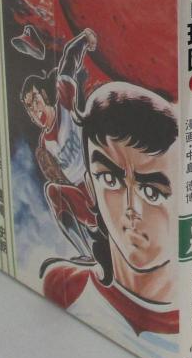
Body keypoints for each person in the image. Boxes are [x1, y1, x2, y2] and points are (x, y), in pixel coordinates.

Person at [41, 82, 181, 344]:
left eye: (151, 192)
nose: (131, 209)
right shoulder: (66, 286)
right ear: (91, 188)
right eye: (110, 180)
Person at [21, 27, 97, 264]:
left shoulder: (63, 101)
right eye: (29, 108)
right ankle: (88, 251)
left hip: (102, 179)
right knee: (52, 191)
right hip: (85, 200)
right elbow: (60, 181)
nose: (35, 110)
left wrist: (83, 39)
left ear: (45, 96)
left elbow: (67, 64)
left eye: (35, 101)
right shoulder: (44, 145)